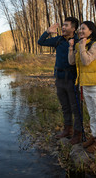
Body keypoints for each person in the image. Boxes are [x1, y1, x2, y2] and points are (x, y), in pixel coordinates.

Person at [38, 17, 82, 145]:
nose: (63, 27)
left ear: (73, 28)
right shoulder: (58, 40)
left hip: (72, 79)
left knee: (76, 107)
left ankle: (77, 133)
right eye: (62, 25)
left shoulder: (78, 42)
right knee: (65, 106)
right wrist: (47, 31)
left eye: (66, 25)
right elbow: (41, 42)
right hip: (59, 78)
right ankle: (67, 129)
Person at [68, 21, 96, 153]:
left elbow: (86, 61)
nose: (80, 31)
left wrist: (82, 47)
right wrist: (71, 47)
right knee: (92, 113)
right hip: (85, 84)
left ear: (91, 31)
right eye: (79, 29)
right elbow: (72, 62)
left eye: (83, 29)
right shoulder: (80, 44)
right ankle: (94, 136)